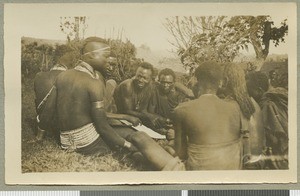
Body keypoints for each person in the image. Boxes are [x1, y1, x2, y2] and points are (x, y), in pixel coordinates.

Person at [173, 61, 243, 170]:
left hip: (200, 175)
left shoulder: (182, 110)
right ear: (220, 82)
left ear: (196, 80)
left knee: (142, 139)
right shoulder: (236, 108)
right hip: (231, 173)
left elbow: (181, 155)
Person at [246, 71, 288, 169]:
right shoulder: (281, 95)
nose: (249, 97)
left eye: (250, 93)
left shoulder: (267, 105)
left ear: (260, 90)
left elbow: (273, 141)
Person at [33, 45, 75, 141]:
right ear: (71, 61)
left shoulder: (39, 76)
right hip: (61, 127)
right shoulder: (69, 78)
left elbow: (37, 103)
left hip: (43, 123)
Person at [113, 62, 156, 126]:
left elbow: (143, 110)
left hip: (132, 118)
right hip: (118, 117)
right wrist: (149, 117)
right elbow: (127, 111)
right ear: (135, 74)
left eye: (145, 78)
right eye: (139, 76)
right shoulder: (127, 86)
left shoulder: (149, 87)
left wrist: (152, 117)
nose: (141, 80)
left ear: (150, 79)